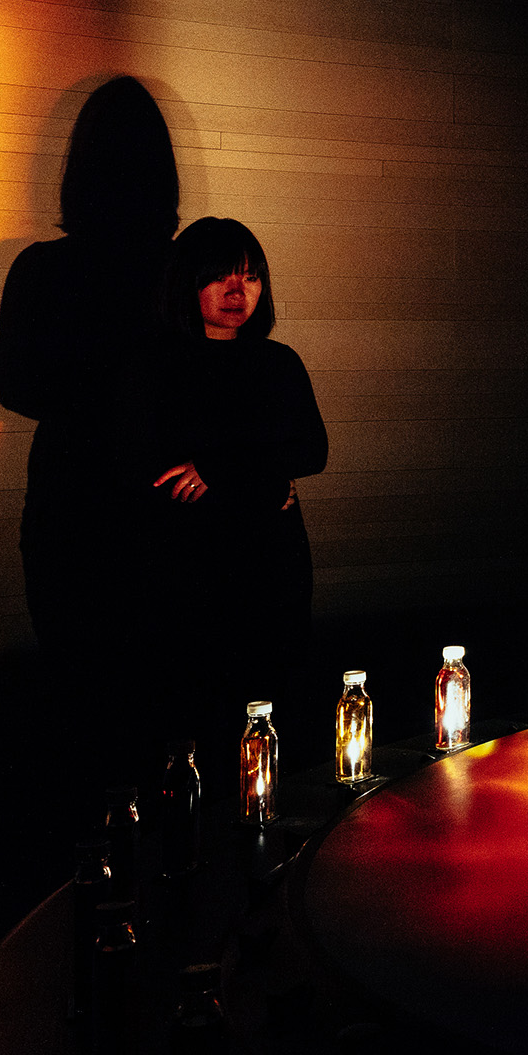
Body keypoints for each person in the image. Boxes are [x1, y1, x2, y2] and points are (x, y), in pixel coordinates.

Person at [0, 76, 179, 787]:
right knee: (162, 711)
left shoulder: (41, 267)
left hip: (69, 502)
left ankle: (93, 871)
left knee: (82, 710)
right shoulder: (177, 267)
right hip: (162, 505)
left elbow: (15, 384)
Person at [150, 218, 327, 737]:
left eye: (250, 277)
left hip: (273, 566)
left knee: (277, 705)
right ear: (188, 281)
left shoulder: (278, 362)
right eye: (221, 276)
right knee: (199, 716)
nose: (237, 291)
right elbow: (166, 475)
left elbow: (312, 452)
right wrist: (265, 476)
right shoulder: (159, 367)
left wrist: (223, 470)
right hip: (192, 569)